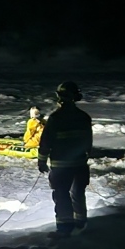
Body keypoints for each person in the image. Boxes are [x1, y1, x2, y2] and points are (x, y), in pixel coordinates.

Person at [37, 81, 93, 238]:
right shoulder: (84, 117)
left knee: (62, 195)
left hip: (61, 166)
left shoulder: (56, 118)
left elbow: (46, 142)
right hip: (80, 165)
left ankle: (64, 228)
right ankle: (81, 223)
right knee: (78, 193)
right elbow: (88, 142)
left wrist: (41, 161)